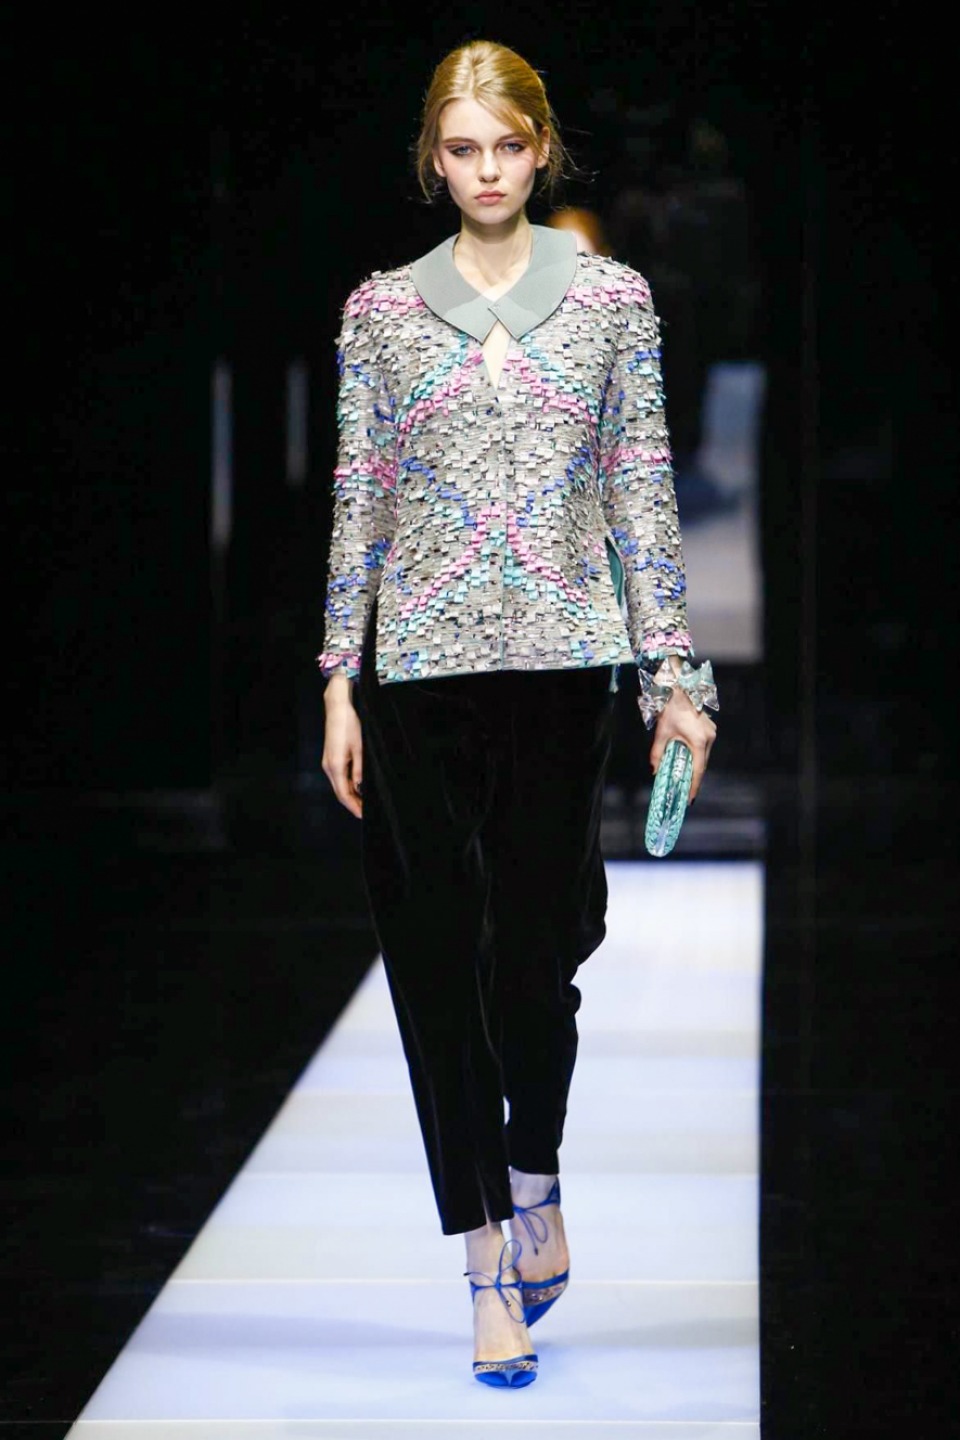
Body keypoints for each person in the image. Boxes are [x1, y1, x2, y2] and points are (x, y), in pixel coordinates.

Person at [318, 39, 718, 1389]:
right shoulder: (382, 313)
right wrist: (338, 676)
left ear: (541, 150)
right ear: (433, 161)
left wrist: (674, 676)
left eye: (507, 146)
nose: (486, 171)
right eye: (462, 149)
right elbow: (362, 498)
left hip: (563, 664)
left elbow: (641, 492)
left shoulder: (611, 301)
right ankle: (486, 1260)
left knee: (542, 951)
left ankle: (534, 1170)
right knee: (434, 956)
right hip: (415, 671)